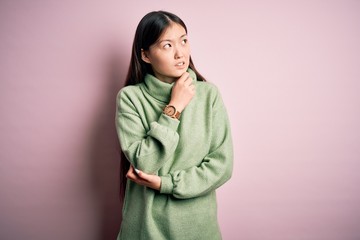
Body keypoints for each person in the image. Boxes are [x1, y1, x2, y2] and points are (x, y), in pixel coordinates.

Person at [115, 10, 233, 240]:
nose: (180, 53)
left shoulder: (208, 95)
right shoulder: (130, 98)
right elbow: (145, 162)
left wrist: (165, 184)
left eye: (184, 41)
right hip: (145, 229)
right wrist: (174, 107)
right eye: (167, 45)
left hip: (198, 228)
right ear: (146, 55)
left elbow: (222, 166)